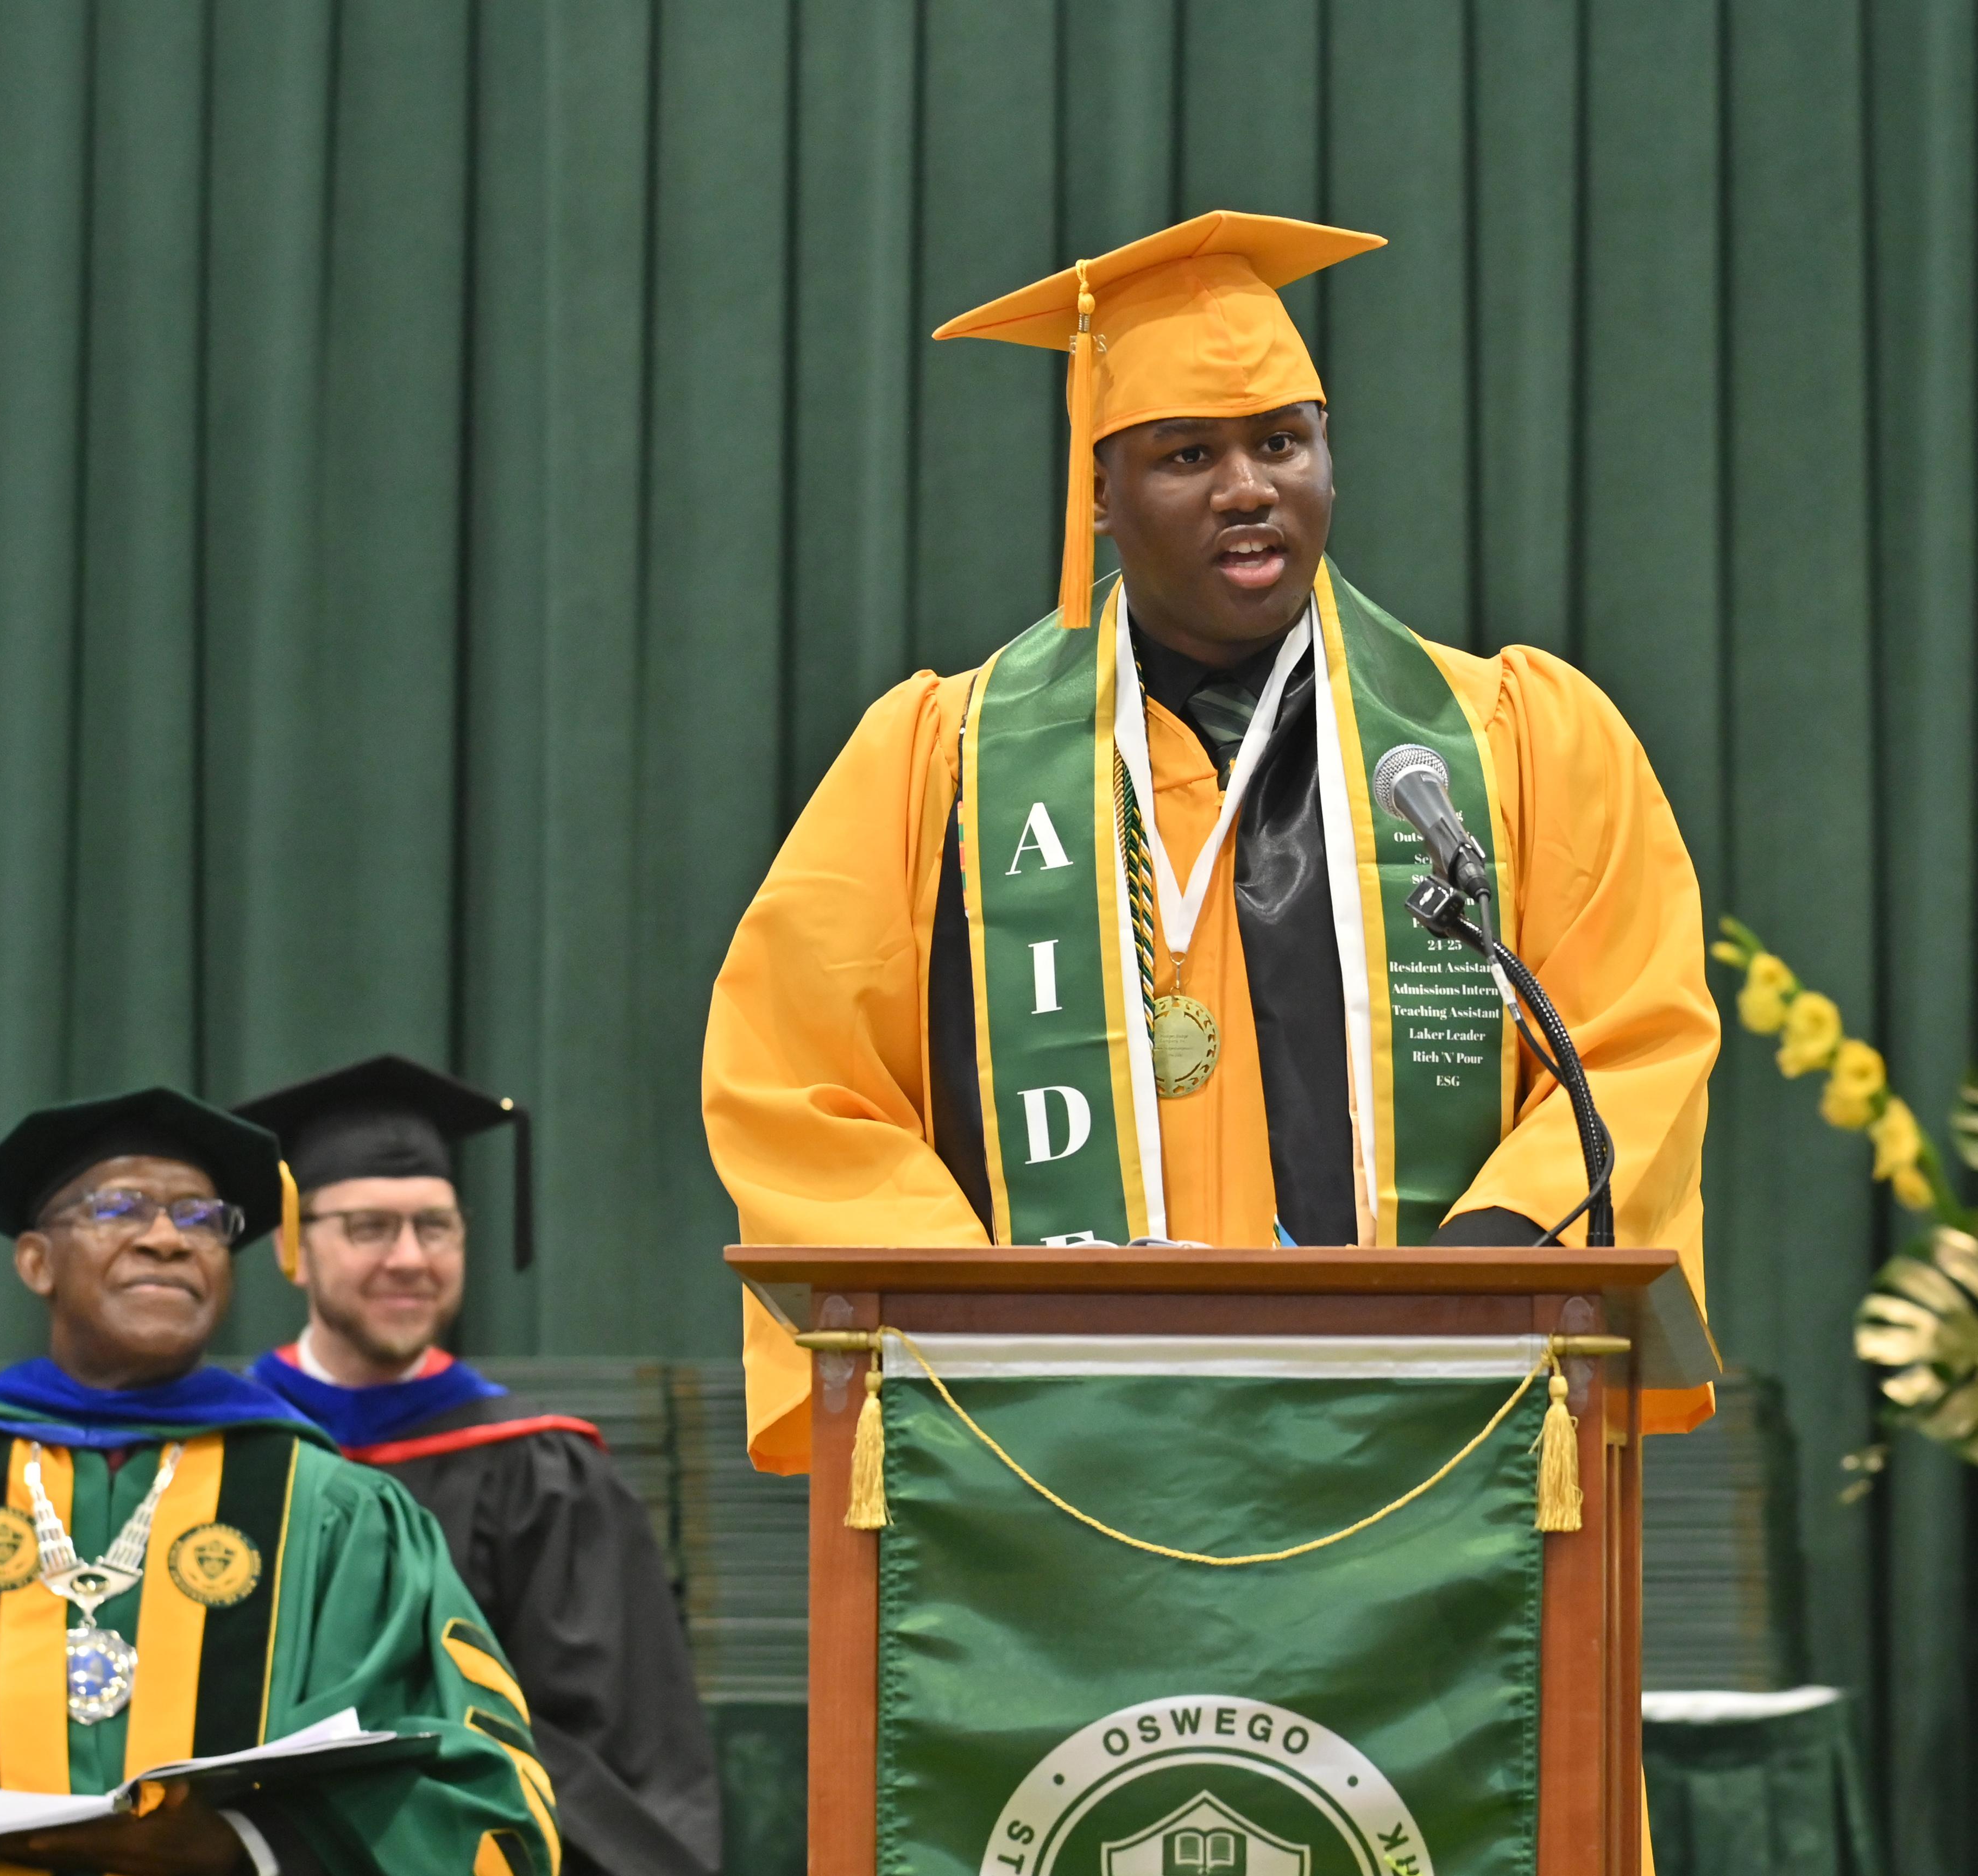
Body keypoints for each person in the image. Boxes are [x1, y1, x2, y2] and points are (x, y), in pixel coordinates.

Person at [702, 210, 1721, 1475]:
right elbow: (797, 1083)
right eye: (1188, 453)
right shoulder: (939, 762)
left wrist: (1489, 1270)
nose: (1249, 487)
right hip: (1050, 1459)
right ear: (1098, 494)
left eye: (1283, 443)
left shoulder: (1516, 741)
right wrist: (996, 1333)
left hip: (1433, 1432)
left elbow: (1634, 1042)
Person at [0, 1087, 557, 1876]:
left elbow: (477, 1789)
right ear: (36, 1261)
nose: (166, 1238)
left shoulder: (337, 1512)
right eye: (119, 1208)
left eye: (200, 1218)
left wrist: (244, 1844)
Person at [238, 1056, 718, 1876]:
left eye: (437, 1227)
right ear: (293, 1245)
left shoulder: (538, 1468)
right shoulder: (224, 1454)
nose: (410, 1259)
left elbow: (625, 1748)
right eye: (370, 1227)